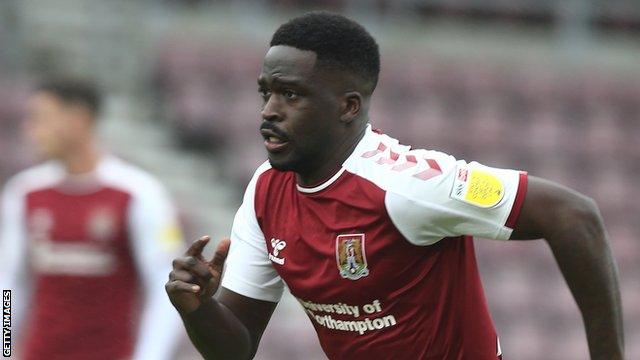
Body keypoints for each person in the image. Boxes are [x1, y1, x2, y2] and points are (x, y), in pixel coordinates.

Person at [165, 12, 624, 360]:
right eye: (265, 92)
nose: (269, 110)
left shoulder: (405, 185)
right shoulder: (266, 192)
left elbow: (575, 214)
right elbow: (237, 346)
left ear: (348, 106)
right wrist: (198, 307)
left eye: (292, 94)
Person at [0, 78, 184, 360]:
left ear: (78, 119)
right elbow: (9, 285)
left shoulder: (139, 193)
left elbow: (165, 286)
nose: (30, 129)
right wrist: (5, 349)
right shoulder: (24, 193)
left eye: (41, 118)